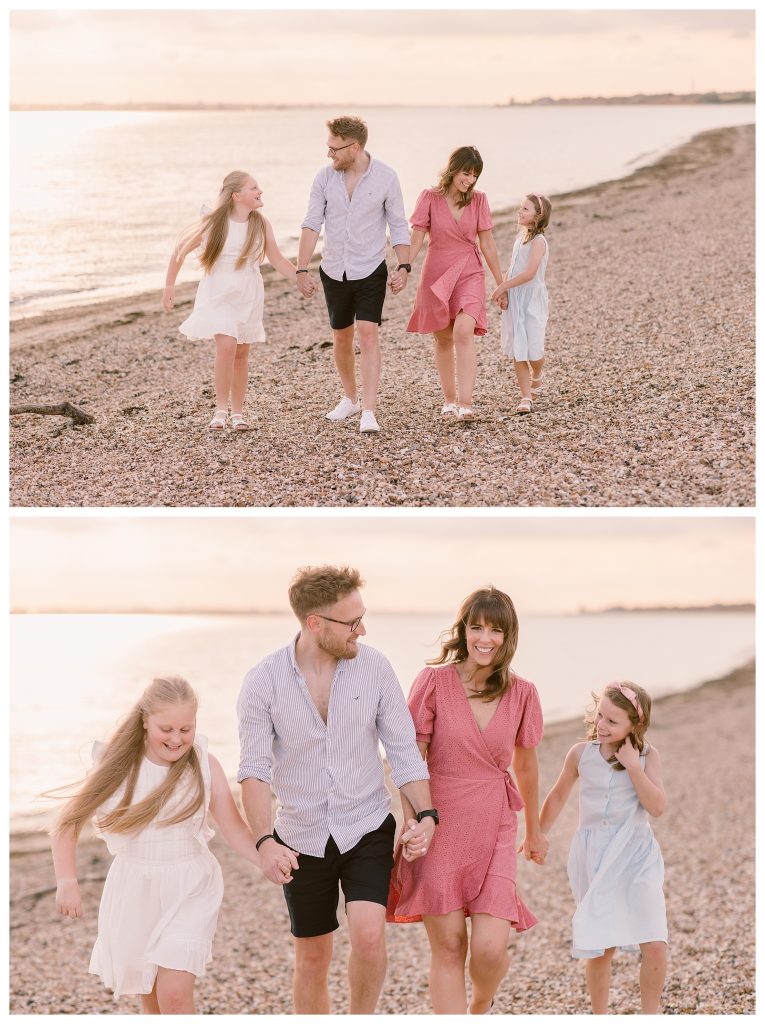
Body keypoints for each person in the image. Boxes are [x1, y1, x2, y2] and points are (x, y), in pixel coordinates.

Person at [237, 565, 436, 1014]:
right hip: (300, 837)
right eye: (352, 622)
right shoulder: (263, 681)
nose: (362, 630)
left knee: (369, 935)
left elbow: (404, 750)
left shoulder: (376, 668)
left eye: (361, 618)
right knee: (312, 958)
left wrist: (426, 816)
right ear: (315, 623)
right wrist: (265, 841)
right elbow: (253, 770)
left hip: (366, 825)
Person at [50, 676, 263, 1014]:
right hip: (135, 890)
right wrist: (66, 881)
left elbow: (235, 829)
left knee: (175, 993)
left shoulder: (204, 765)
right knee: (150, 998)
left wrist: (267, 861)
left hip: (192, 886)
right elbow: (67, 823)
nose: (177, 739)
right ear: (146, 721)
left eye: (186, 728)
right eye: (167, 729)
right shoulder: (118, 765)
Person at [387, 586, 547, 1014]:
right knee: (451, 945)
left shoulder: (524, 693)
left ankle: (480, 1003)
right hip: (437, 822)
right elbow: (408, 758)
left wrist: (535, 831)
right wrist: (414, 821)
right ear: (464, 630)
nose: (485, 638)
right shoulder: (434, 682)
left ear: (508, 636)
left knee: (491, 949)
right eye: (477, 627)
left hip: (495, 822)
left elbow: (527, 767)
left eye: (495, 630)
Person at [538, 683, 668, 1014]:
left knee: (654, 945)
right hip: (592, 856)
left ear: (634, 726)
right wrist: (537, 835)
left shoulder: (647, 756)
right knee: (601, 946)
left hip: (636, 854)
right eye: (600, 716)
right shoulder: (580, 754)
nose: (602, 725)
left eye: (613, 721)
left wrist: (634, 768)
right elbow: (557, 796)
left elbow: (657, 807)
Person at [296, 117, 411, 434]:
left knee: (367, 331)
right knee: (341, 336)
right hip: (333, 269)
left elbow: (399, 224)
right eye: (328, 147)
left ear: (355, 146)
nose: (329, 154)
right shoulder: (323, 178)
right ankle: (350, 399)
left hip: (371, 267)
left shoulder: (386, 177)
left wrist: (404, 265)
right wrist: (301, 268)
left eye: (334, 148)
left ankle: (369, 411)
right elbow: (311, 224)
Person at [163, 170, 298, 430]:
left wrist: (300, 278)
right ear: (236, 196)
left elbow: (277, 258)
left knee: (241, 353)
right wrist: (170, 286)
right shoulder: (214, 222)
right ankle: (220, 410)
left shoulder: (261, 223)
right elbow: (179, 252)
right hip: (218, 292)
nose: (260, 191)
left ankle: (237, 413)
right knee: (227, 345)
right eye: (254, 187)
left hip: (248, 293)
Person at [405, 147, 505, 422]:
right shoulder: (429, 198)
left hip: (470, 272)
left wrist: (501, 283)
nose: (470, 180)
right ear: (453, 169)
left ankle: (466, 403)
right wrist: (403, 266)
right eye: (466, 173)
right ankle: (449, 400)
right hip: (436, 273)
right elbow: (416, 239)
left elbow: (487, 244)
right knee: (443, 338)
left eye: (474, 175)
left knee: (464, 330)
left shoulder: (479, 201)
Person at [491, 194, 551, 415]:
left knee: (534, 351)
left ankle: (538, 372)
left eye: (525, 209)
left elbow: (529, 273)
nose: (520, 211)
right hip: (516, 298)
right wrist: (504, 290)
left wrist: (501, 286)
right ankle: (526, 397)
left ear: (538, 216)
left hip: (532, 299)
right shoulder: (520, 239)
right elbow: (513, 267)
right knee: (519, 349)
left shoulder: (539, 242)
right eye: (520, 208)